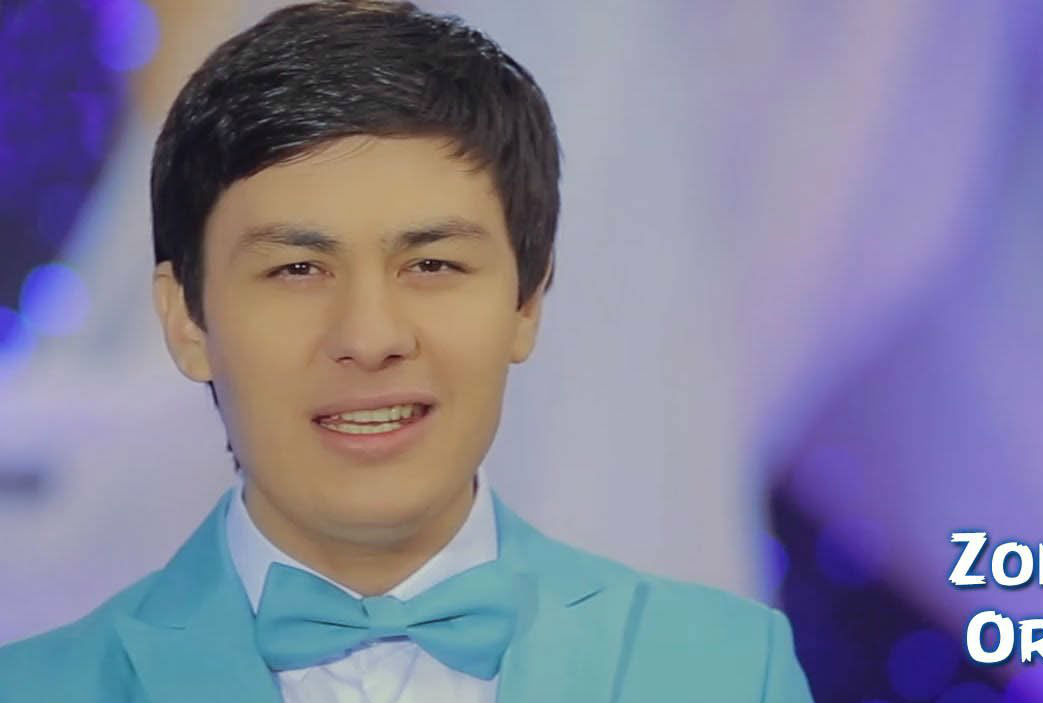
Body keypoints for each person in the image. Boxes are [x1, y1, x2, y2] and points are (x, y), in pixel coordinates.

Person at [0, 2, 812, 701]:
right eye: (298, 270)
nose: (371, 337)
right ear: (185, 318)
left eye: (432, 266)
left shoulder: (726, 665)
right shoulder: (46, 682)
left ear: (528, 302)